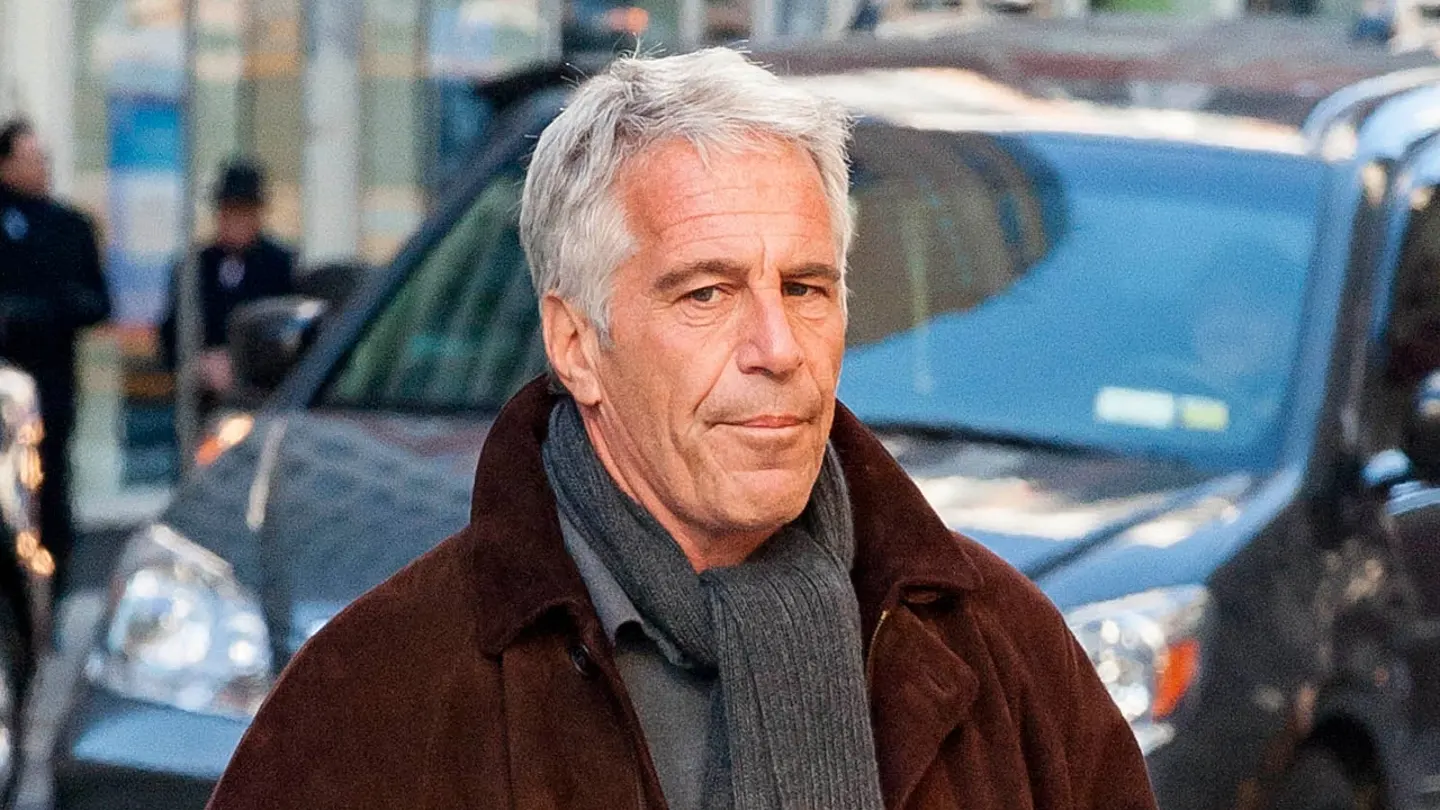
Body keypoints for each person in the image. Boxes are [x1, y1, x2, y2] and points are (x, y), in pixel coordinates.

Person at [206, 50, 1156, 810]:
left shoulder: (1002, 649)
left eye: (806, 289)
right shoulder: (376, 701)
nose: (777, 348)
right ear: (576, 344)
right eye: (707, 293)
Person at [0, 118, 111, 610]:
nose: (41, 167)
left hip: (51, 386)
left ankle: (51, 600)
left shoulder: (69, 226)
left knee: (48, 492)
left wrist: (43, 312)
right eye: (30, 158)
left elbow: (96, 302)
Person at [160, 159, 295, 406]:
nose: (235, 221)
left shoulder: (281, 265)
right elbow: (172, 331)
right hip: (203, 397)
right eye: (229, 211)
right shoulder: (195, 267)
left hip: (263, 395)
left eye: (244, 212)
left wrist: (241, 364)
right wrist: (199, 362)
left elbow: (288, 332)